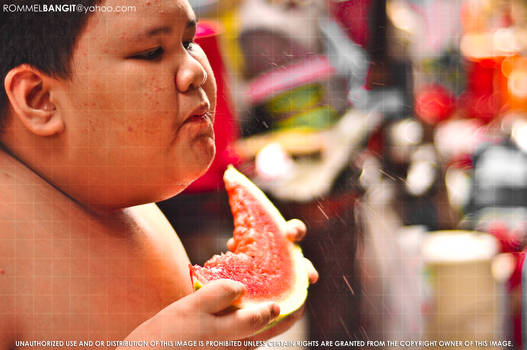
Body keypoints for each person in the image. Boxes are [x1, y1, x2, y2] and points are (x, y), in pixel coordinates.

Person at [0, 0, 318, 348]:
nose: (195, 70)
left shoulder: (106, 190)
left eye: (188, 41)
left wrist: (230, 326)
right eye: (152, 52)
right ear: (40, 98)